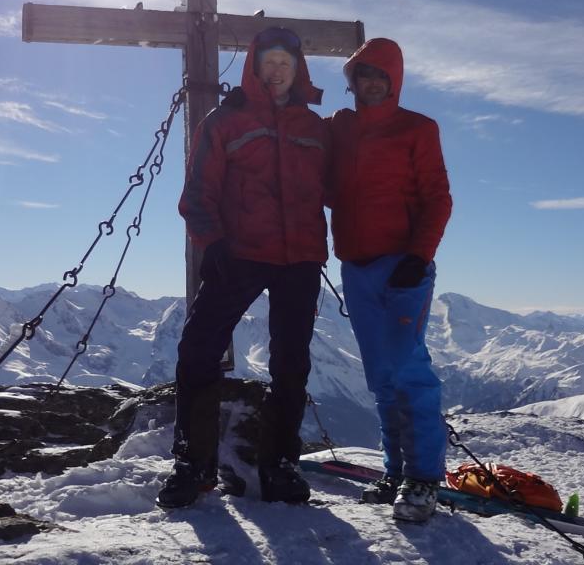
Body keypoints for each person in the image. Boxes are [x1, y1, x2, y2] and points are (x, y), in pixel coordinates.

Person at [156, 26, 329, 509]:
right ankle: (193, 465)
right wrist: (213, 245)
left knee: (291, 362)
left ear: (298, 70)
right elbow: (198, 191)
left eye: (285, 63)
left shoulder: (316, 128)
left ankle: (280, 465)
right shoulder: (226, 120)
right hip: (240, 254)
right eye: (269, 62)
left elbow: (340, 188)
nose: (277, 71)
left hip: (301, 259)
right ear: (255, 66)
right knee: (199, 350)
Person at [327, 37, 453, 523]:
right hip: (356, 266)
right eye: (364, 74)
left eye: (381, 75)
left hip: (404, 266)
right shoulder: (340, 127)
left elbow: (438, 197)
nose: (373, 82)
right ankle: (396, 472)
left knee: (407, 369)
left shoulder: (418, 128)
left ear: (395, 80)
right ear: (353, 80)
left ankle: (423, 479)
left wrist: (419, 256)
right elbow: (300, 143)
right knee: (381, 375)